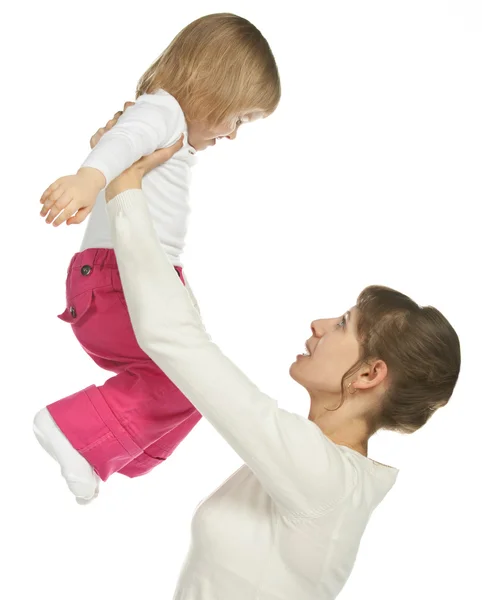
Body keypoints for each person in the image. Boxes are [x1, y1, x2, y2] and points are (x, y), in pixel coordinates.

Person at [93, 114, 458, 599]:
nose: (319, 325)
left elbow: (175, 340)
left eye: (344, 324)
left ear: (371, 373)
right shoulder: (311, 467)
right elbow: (189, 341)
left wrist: (122, 182)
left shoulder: (323, 478)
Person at [33, 13, 281, 504]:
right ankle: (72, 430)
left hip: (137, 280)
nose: (233, 135)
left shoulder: (171, 127)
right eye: (239, 117)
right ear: (213, 87)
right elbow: (121, 139)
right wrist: (89, 178)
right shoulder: (162, 110)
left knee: (197, 382)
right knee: (189, 375)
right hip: (118, 281)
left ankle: (105, 450)